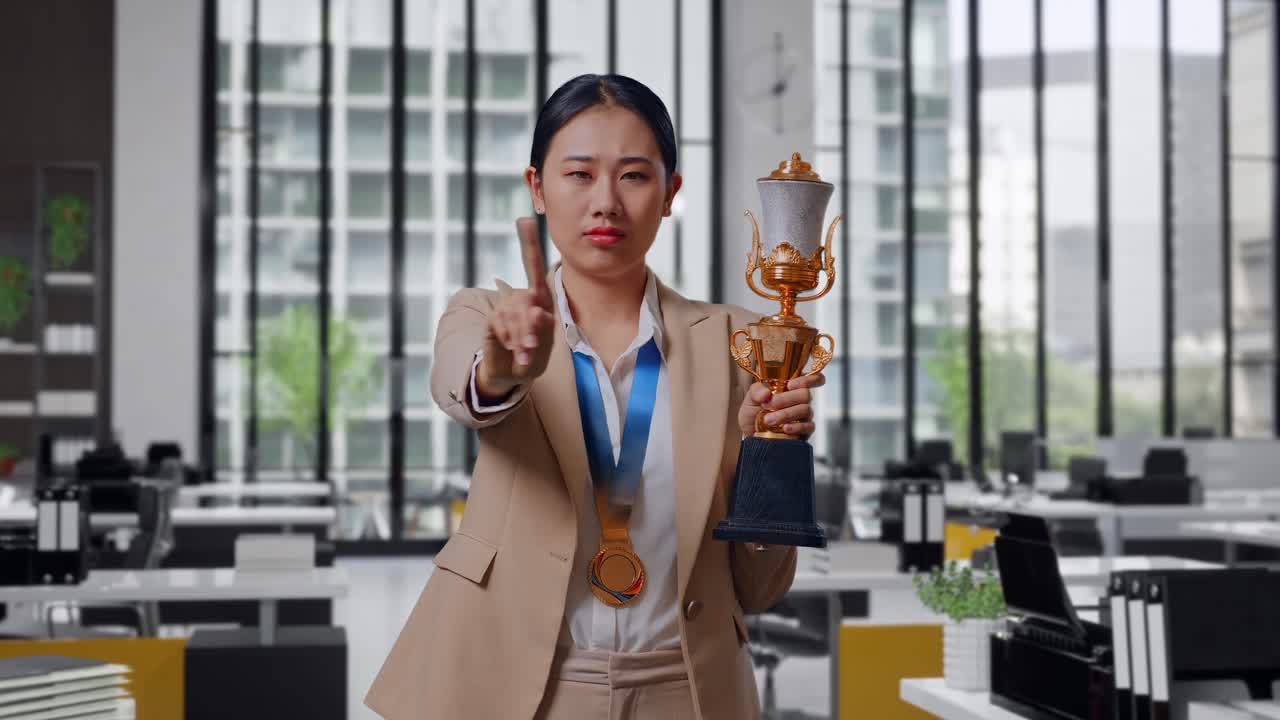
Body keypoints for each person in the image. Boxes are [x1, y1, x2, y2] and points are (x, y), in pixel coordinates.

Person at [365, 73, 825, 720]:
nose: (605, 202)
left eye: (634, 176)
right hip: (520, 690)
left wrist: (765, 456)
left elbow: (761, 588)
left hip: (688, 691)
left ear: (670, 194)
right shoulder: (486, 314)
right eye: (579, 174)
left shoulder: (743, 343)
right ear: (537, 188)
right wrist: (502, 366)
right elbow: (462, 385)